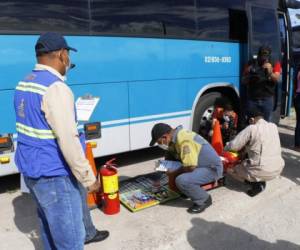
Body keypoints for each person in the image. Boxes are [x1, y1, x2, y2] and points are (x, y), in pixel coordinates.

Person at [14, 32, 108, 249]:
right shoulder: (56, 87)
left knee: (48, 230)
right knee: (70, 240)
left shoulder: (25, 83)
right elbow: (68, 140)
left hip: (32, 170)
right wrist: (88, 179)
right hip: (55, 175)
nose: (69, 61)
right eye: (68, 55)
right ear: (61, 54)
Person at [150, 123, 223, 214]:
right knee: (169, 170)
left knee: (182, 180)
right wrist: (163, 170)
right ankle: (187, 189)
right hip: (198, 165)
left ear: (165, 137)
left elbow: (190, 167)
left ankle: (203, 199)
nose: (160, 144)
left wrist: (173, 173)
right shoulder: (174, 139)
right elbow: (170, 156)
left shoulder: (184, 140)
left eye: (159, 142)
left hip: (211, 169)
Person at [224, 108, 285, 197]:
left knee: (230, 169)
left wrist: (224, 148)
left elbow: (234, 146)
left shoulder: (252, 128)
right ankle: (259, 178)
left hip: (262, 170)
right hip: (278, 168)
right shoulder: (273, 126)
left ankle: (256, 185)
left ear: (251, 119)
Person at [243, 46, 281, 121]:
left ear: (269, 55)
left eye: (266, 56)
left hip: (267, 99)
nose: (264, 59)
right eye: (262, 56)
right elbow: (243, 80)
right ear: (258, 55)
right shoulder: (251, 63)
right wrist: (250, 75)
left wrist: (270, 72)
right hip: (253, 99)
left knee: (266, 124)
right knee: (251, 123)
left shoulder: (274, 63)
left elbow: (276, 79)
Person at [294, 69, 300, 151]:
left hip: (298, 96)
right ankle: (298, 144)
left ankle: (297, 144)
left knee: (299, 121)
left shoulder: (298, 71)